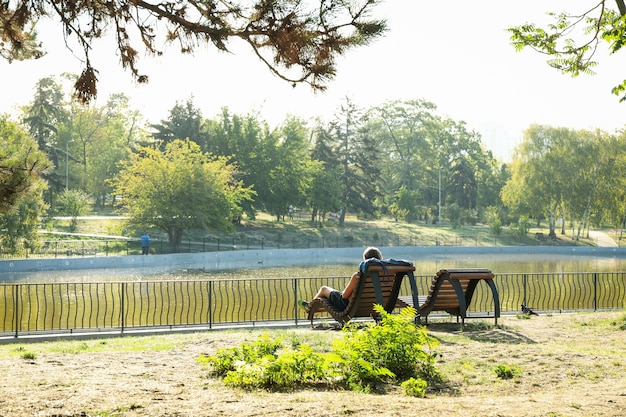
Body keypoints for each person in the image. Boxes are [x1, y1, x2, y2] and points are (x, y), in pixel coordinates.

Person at [298, 246, 383, 312]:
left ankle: (309, 308)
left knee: (324, 289)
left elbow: (344, 296)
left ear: (365, 258)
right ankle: (311, 307)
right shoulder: (386, 277)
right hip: (374, 305)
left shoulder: (358, 276)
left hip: (349, 306)